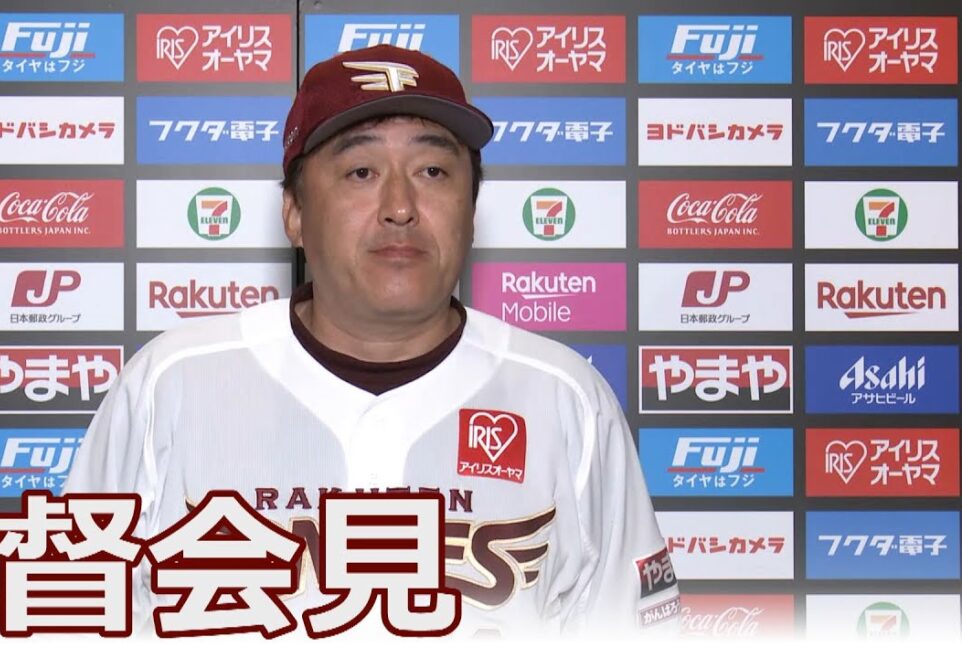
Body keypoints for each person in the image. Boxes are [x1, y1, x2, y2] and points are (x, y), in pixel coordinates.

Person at [63, 43, 678, 638]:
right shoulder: (173, 385)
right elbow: (72, 618)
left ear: (471, 209)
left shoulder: (564, 398)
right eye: (361, 172)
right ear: (294, 213)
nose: (400, 206)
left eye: (433, 171)